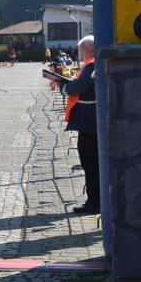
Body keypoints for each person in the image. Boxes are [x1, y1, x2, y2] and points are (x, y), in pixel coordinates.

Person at [51, 35, 99, 215]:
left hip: (89, 122)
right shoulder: (92, 65)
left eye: (81, 51)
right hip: (89, 121)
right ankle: (95, 199)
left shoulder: (92, 66)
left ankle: (95, 201)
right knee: (90, 161)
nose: (80, 54)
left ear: (89, 51)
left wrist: (63, 87)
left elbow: (78, 87)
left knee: (90, 162)